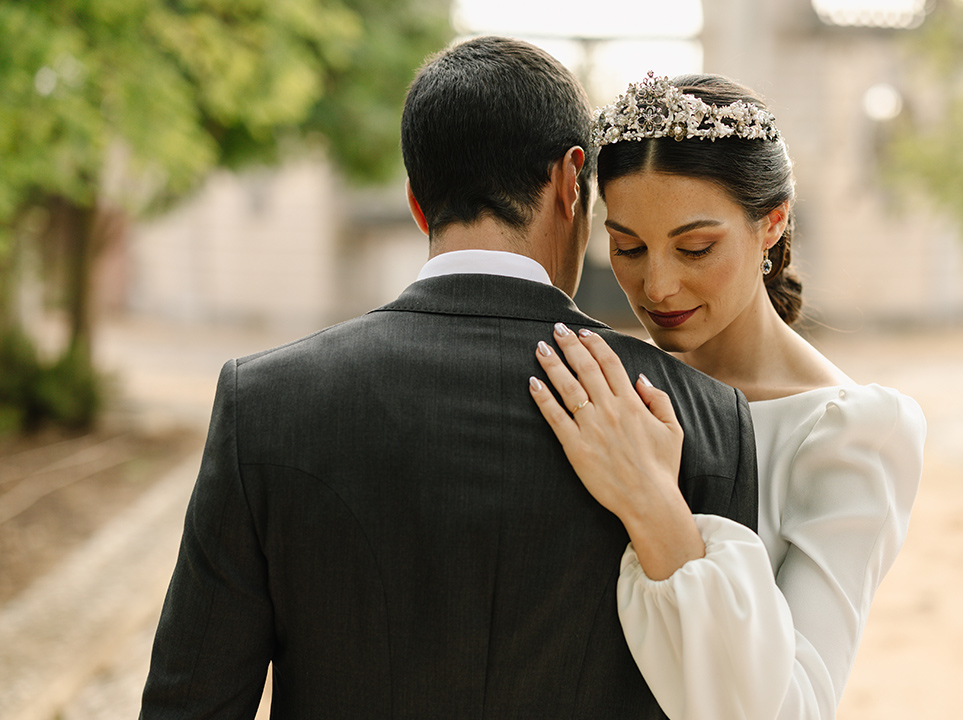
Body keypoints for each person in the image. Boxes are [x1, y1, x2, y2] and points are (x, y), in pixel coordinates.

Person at [140, 39, 758, 719]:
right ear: (569, 181)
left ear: (416, 201)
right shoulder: (701, 419)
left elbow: (188, 705)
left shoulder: (265, 402)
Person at [529, 72, 926, 719]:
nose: (657, 285)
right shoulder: (612, 394)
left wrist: (654, 506)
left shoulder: (849, 434)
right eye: (628, 247)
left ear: (771, 224)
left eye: (695, 247)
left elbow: (792, 709)